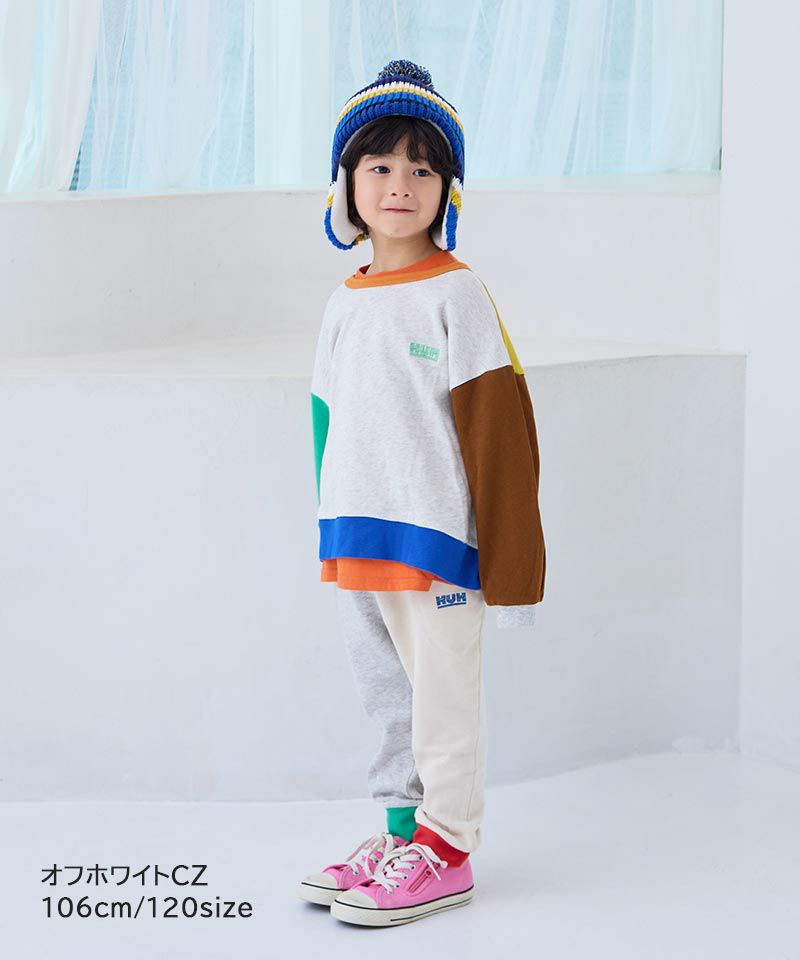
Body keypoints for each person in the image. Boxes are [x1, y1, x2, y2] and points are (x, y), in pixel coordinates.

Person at [298, 59, 546, 927]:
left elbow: (501, 435)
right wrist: (329, 528)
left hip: (438, 545)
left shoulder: (457, 295)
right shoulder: (345, 300)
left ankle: (449, 847)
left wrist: (513, 569)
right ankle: (402, 832)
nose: (400, 185)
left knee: (443, 702)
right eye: (380, 166)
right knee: (388, 700)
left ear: (448, 191)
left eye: (422, 168)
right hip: (359, 539)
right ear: (347, 184)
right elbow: (327, 420)